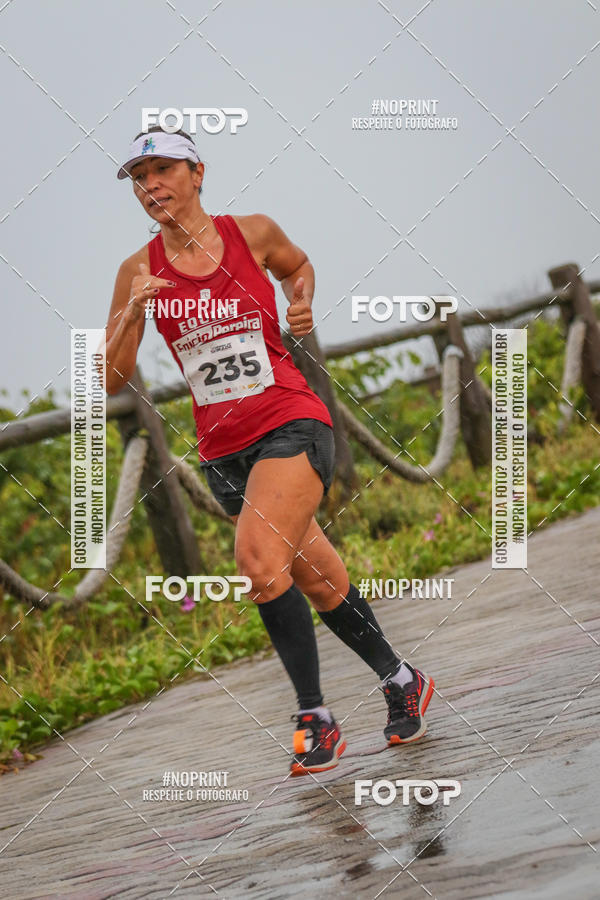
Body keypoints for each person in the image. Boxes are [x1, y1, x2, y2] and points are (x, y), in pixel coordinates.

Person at [104, 124, 435, 776]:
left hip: (292, 421)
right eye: (139, 180)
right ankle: (401, 679)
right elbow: (109, 378)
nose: (150, 187)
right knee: (313, 577)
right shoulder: (137, 270)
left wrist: (302, 300)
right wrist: (133, 314)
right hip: (223, 452)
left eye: (162, 171)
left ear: (197, 173)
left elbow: (298, 267)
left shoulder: (250, 232)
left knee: (257, 560)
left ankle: (315, 716)